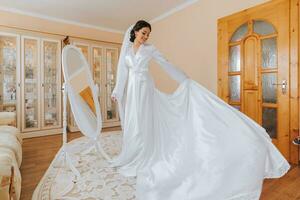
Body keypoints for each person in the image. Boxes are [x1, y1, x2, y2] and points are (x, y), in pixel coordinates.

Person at [110, 20, 290, 200]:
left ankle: (144, 153)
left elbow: (166, 64)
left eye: (147, 34)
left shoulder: (150, 49)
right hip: (132, 89)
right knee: (134, 121)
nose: (145, 37)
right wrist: (117, 91)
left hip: (145, 88)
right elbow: (122, 72)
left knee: (145, 120)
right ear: (134, 32)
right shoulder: (126, 50)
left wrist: (184, 79)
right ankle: (133, 153)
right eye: (143, 33)